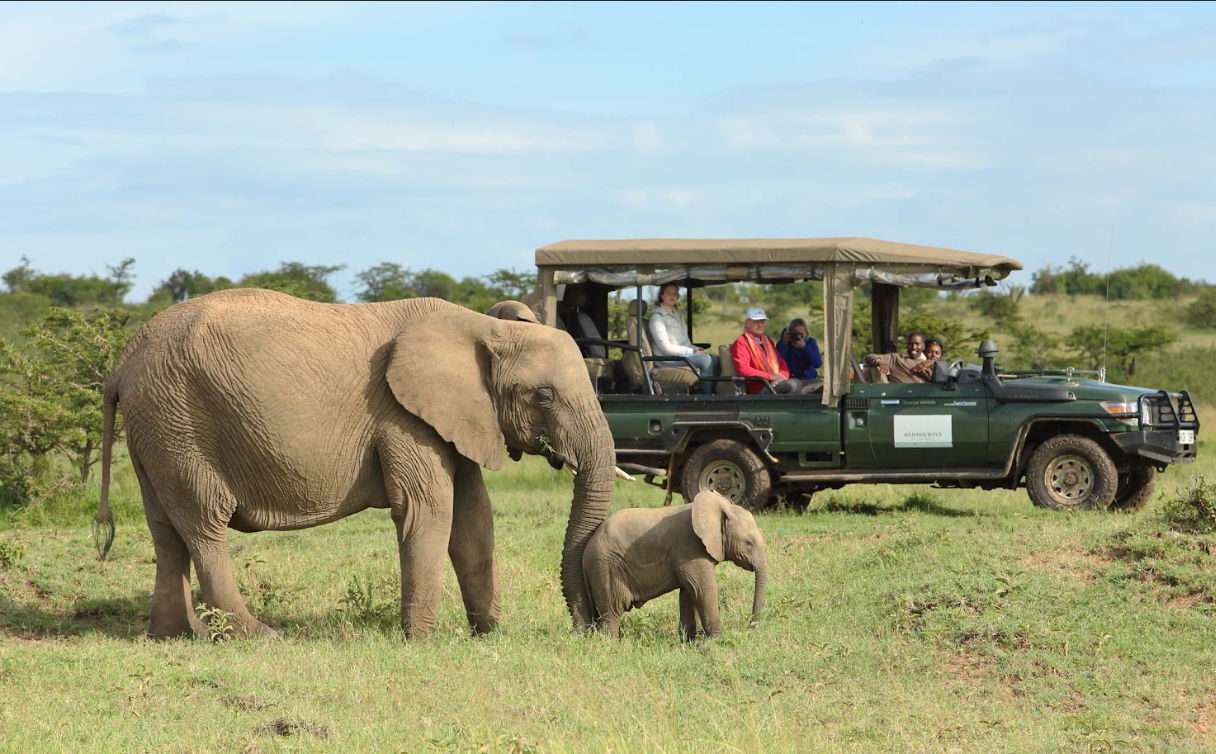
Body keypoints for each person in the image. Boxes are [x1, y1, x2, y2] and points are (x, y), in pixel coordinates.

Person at [648, 282, 719, 393]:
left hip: (680, 355)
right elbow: (665, 348)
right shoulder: (657, 317)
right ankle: (708, 397)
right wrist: (693, 351)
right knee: (706, 360)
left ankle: (717, 393)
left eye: (675, 294)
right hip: (665, 359)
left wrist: (697, 350)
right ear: (661, 295)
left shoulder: (678, 314)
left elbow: (685, 342)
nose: (672, 296)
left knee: (715, 358)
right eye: (668, 293)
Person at [730, 307, 819, 394]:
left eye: (762, 321)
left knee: (820, 384)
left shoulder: (768, 342)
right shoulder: (741, 343)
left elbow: (781, 363)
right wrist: (770, 377)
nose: (760, 324)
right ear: (747, 323)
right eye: (756, 321)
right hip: (759, 386)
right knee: (793, 384)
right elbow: (743, 369)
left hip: (777, 382)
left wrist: (782, 376)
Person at [862, 347, 936, 383]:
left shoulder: (931, 364)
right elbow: (869, 357)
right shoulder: (896, 359)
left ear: (923, 346)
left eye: (917, 344)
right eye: (911, 344)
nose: (913, 347)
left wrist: (933, 363)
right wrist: (879, 362)